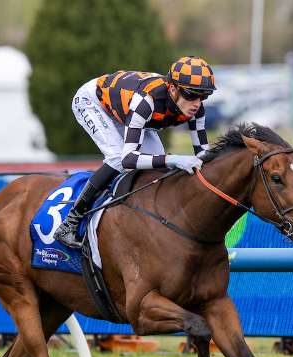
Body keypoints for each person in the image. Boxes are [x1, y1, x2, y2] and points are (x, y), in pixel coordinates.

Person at [53, 55, 217, 249]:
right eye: (191, 95)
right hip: (93, 102)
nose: (197, 103)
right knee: (117, 158)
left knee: (158, 168)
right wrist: (173, 159)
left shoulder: (196, 109)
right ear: (173, 89)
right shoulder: (147, 101)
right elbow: (128, 159)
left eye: (203, 96)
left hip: (128, 112)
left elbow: (203, 155)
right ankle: (70, 222)